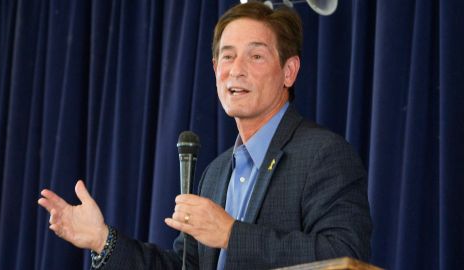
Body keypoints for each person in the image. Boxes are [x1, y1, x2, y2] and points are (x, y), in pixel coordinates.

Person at [38, 2, 372, 269]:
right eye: (227, 56)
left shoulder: (323, 154)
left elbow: (343, 253)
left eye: (255, 56)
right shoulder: (216, 173)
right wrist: (102, 241)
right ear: (215, 70)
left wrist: (230, 234)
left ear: (289, 71)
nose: (236, 69)